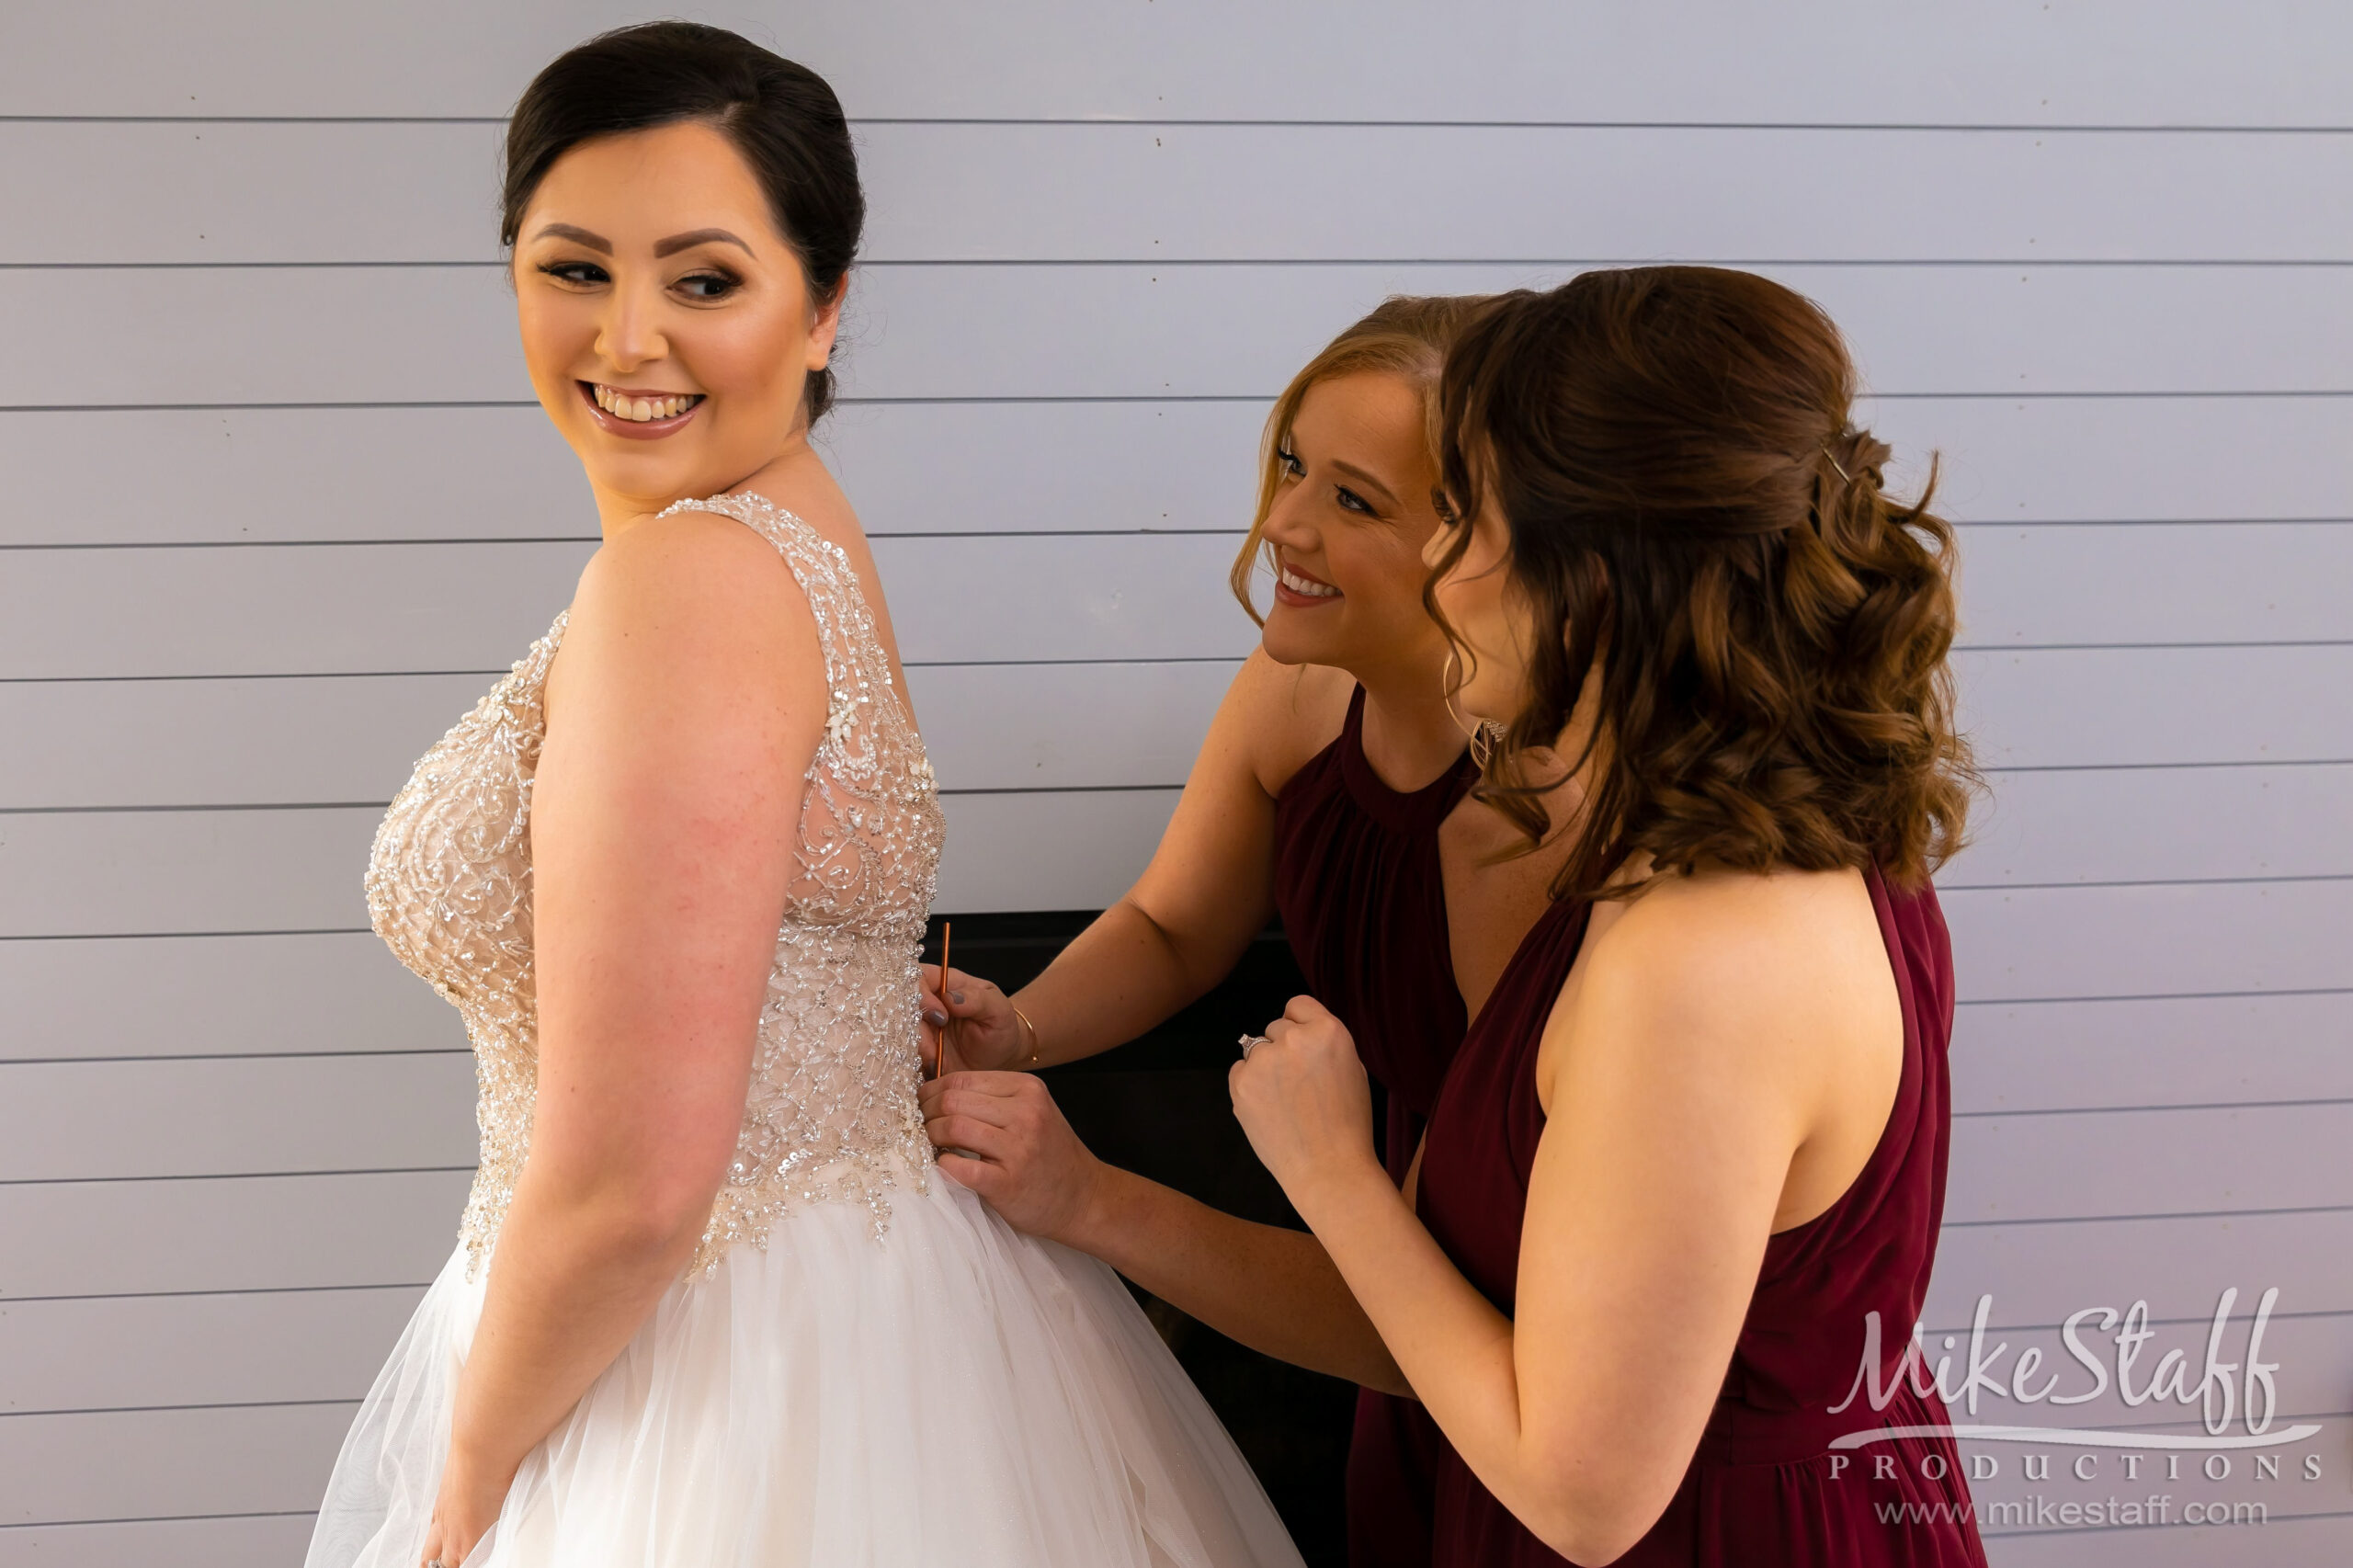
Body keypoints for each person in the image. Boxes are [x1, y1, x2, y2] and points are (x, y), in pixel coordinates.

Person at [304, 23, 1302, 1568]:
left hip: (709, 1365)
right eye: (574, 269)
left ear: (825, 306)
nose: (630, 338)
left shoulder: (694, 585)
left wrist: (469, 1474)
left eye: (704, 281)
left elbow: (639, 1182)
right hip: (847, 1316)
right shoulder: (789, 534)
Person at [1227, 267, 1992, 1565]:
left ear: (1595, 575)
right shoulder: (1768, 824)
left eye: (1463, 520)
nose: (1441, 572)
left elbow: (1585, 1495)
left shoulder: (1704, 955)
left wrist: (1330, 1170)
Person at [915, 295, 1570, 1567]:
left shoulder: (1541, 808)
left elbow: (1461, 1286)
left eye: (1355, 498)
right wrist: (1025, 1025)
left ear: (1478, 544)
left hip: (1471, 1276)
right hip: (1345, 1249)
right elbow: (1172, 925)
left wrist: (1095, 1196)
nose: (1284, 524)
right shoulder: (1294, 686)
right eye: (1289, 464)